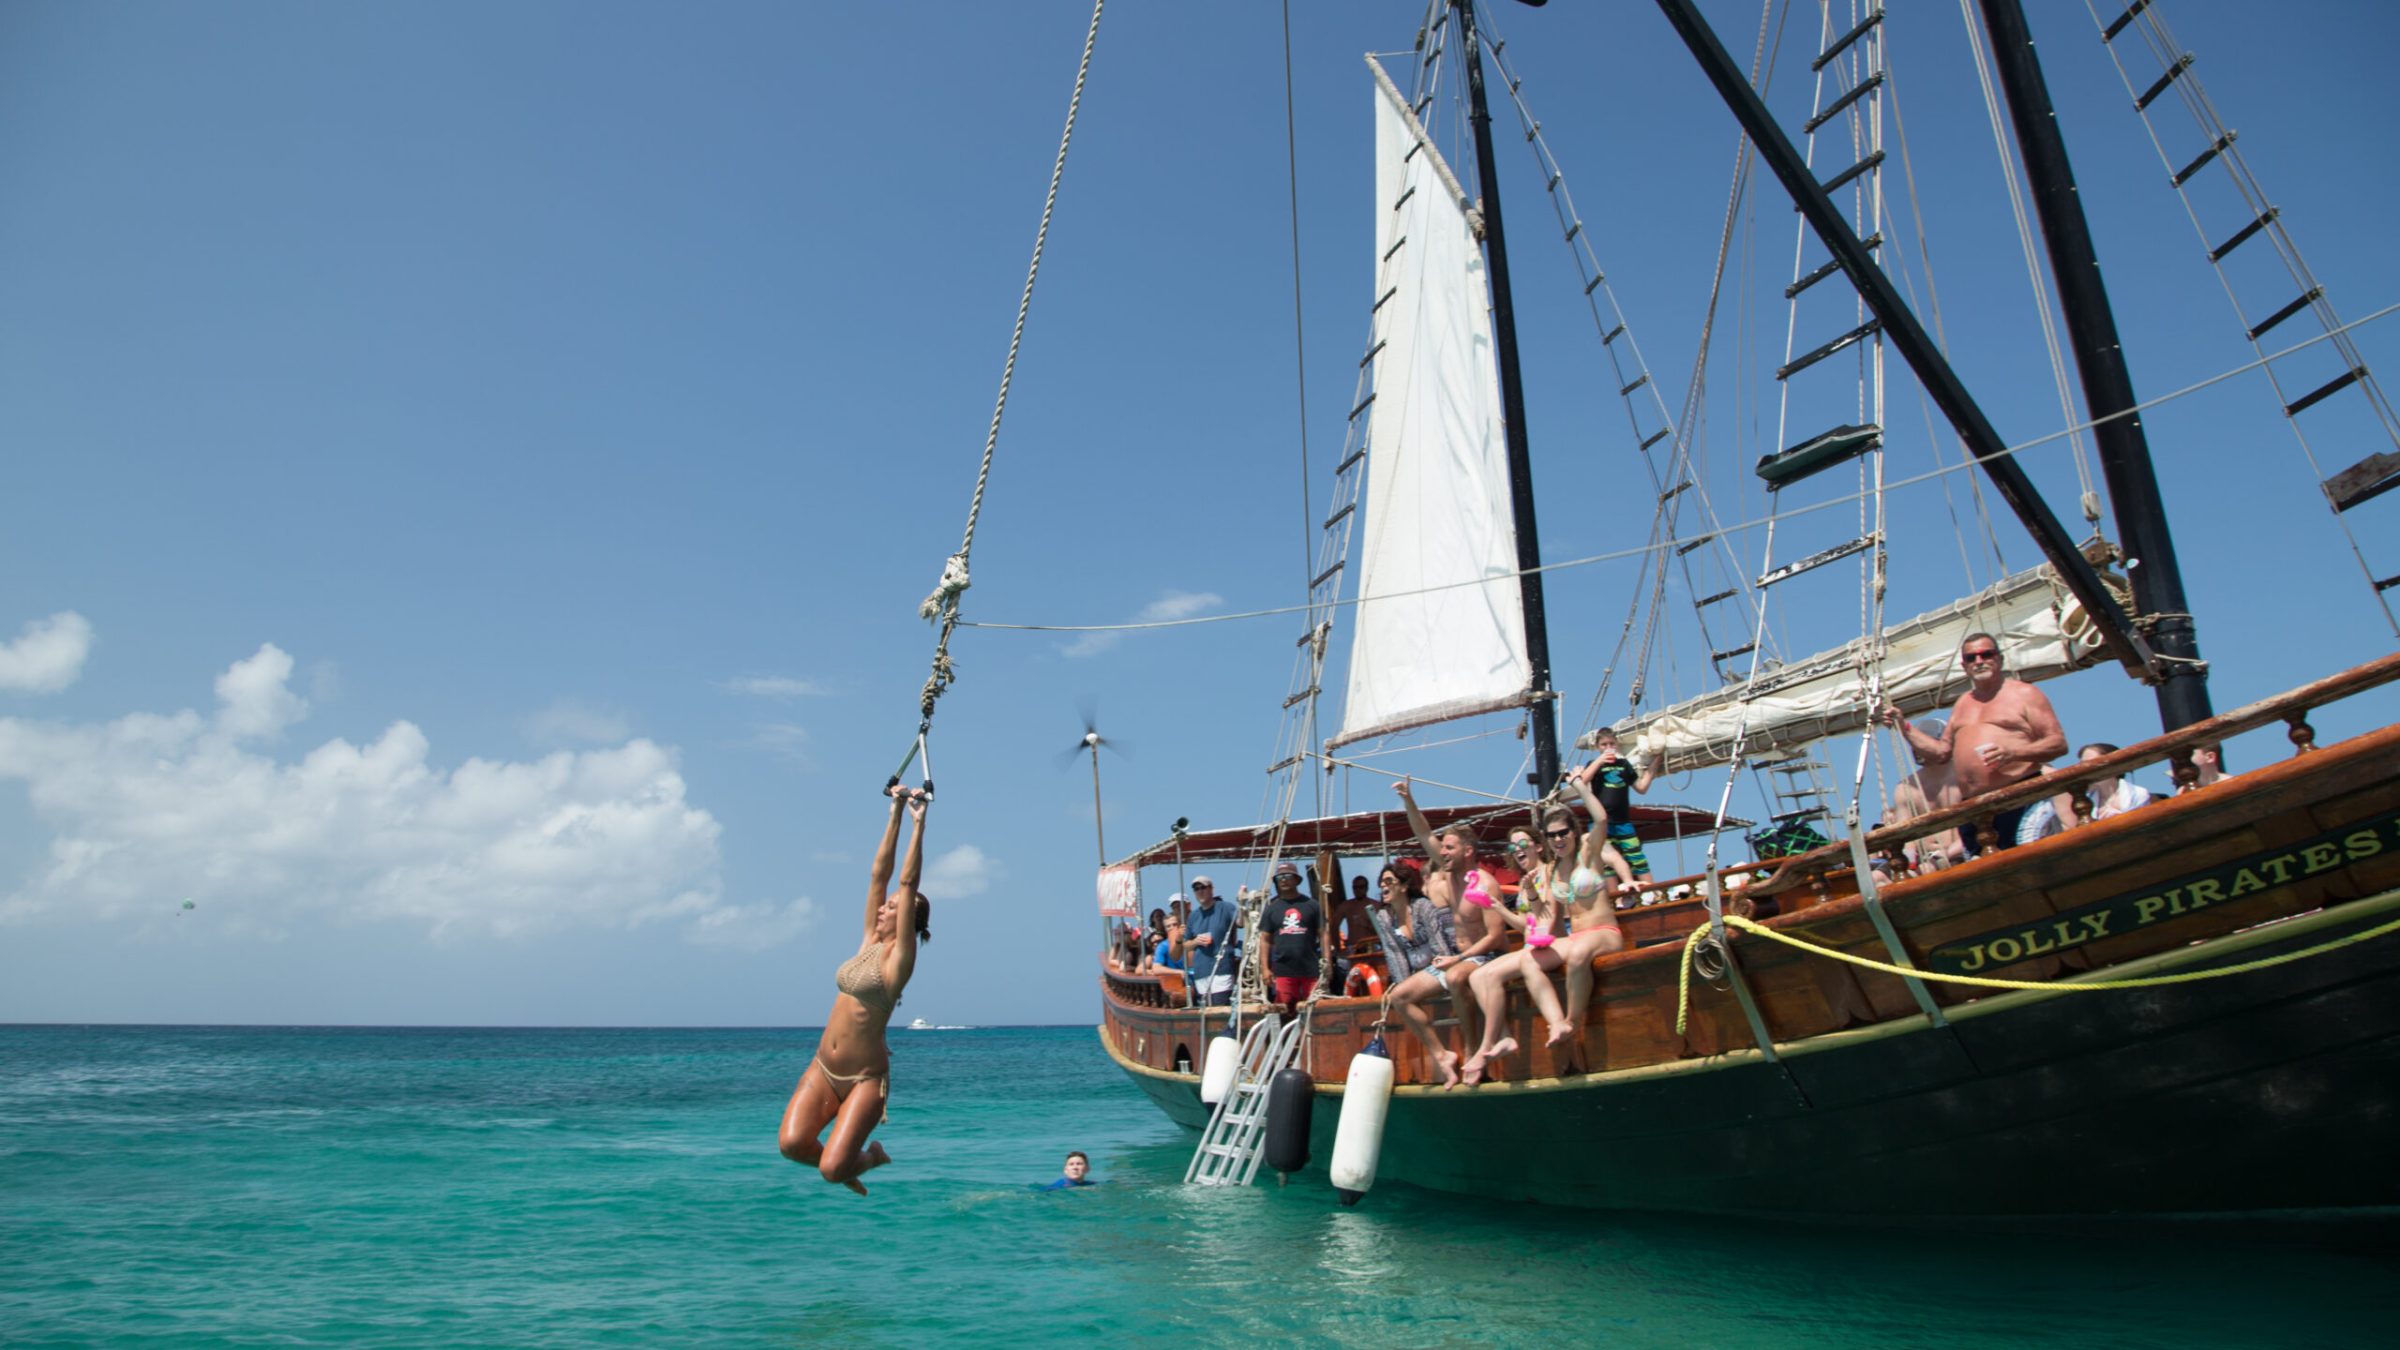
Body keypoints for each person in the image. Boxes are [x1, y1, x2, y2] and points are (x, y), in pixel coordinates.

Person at [778, 785, 933, 1195]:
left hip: (865, 1078)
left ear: (906, 923)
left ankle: (867, 1159)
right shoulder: (868, 941)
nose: (884, 907)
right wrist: (895, 811)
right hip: (823, 1068)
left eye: (894, 908)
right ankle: (845, 1164)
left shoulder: (898, 961)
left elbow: (905, 878)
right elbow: (879, 875)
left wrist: (920, 823)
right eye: (885, 906)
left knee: (830, 1171)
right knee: (792, 1145)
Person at [1875, 632, 2067, 856]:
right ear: (1964, 666)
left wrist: (2013, 753)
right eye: (1971, 658)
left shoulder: (2025, 694)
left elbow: (2058, 743)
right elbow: (1941, 753)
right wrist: (1903, 726)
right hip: (1976, 810)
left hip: (2021, 798)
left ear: (2000, 658)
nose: (1979, 661)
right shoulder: (1963, 704)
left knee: (2036, 865)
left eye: (1986, 654)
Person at [1389, 777, 1506, 1087]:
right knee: (1399, 997)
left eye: (1449, 848)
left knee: (1455, 977)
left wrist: (1459, 959)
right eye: (1442, 849)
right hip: (1454, 958)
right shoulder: (1447, 876)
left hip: (1484, 956)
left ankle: (1471, 1051)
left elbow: (1495, 936)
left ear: (1468, 851)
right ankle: (1442, 1055)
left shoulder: (1484, 884)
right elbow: (1423, 832)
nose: (1443, 853)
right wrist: (1408, 800)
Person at [1886, 718, 1965, 872]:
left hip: (1965, 851)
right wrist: (1907, 860)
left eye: (1920, 742)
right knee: (1878, 878)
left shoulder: (1963, 775)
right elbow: (1906, 838)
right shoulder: (1905, 788)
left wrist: (1945, 855)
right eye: (1912, 743)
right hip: (1925, 860)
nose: (1915, 748)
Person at [1365, 862, 1454, 986]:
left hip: (1440, 969)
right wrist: (1403, 986)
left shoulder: (1423, 907)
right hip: (1414, 977)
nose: (1382, 884)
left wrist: (1443, 977)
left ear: (1404, 886)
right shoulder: (1384, 917)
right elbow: (1395, 956)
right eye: (1381, 881)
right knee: (1399, 996)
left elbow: (1440, 947)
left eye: (1388, 880)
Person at [1585, 729, 1657, 881]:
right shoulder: (1593, 765)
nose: (1608, 747)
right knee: (1607, 863)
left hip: (1622, 821)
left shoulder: (1624, 764)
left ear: (1616, 745)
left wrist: (1657, 761)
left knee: (1637, 857)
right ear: (1598, 746)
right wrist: (1600, 761)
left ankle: (1652, 892)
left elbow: (1641, 787)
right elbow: (1583, 780)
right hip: (1602, 823)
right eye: (1604, 744)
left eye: (1611, 743)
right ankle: (1614, 898)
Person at [1256, 860, 1326, 1012]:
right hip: (1283, 970)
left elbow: (1324, 933)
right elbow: (1265, 939)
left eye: (1287, 876)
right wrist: (1265, 969)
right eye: (1279, 877)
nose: (1283, 880)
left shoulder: (1312, 905)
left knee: (1315, 1009)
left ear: (1296, 880)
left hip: (1310, 969)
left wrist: (1327, 964)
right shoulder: (1271, 909)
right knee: (1284, 1011)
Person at [1182, 876, 1237, 1007]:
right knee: (1204, 1014)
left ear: (1211, 889)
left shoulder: (1226, 908)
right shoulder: (1193, 916)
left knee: (1220, 1009)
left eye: (1203, 887)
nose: (1200, 891)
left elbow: (1241, 922)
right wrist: (1195, 941)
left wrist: (1244, 902)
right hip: (1201, 972)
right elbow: (1185, 944)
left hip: (1222, 970)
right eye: (1196, 889)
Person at [2078, 742, 2155, 821]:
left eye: (2093, 762)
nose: (2086, 769)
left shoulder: (2138, 793)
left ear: (2112, 765)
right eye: (2082, 765)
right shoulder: (2084, 802)